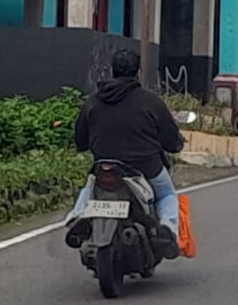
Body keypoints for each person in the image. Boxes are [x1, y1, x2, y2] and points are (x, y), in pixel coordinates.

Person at [65, 47, 185, 254]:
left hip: (104, 166)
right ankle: (167, 230)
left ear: (112, 71)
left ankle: (78, 216)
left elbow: (81, 141)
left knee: (91, 185)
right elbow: (170, 139)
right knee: (166, 195)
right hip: (146, 167)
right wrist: (176, 145)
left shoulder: (92, 102)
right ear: (138, 72)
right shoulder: (150, 101)